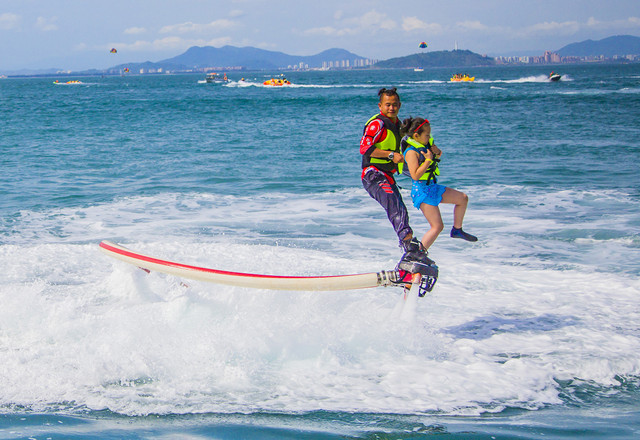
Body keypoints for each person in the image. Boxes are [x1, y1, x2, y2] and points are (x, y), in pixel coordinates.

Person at [360, 87, 426, 259]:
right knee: (394, 205)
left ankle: (410, 250)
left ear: (400, 105)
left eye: (395, 105)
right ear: (380, 106)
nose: (392, 108)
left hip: (387, 175)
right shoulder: (377, 124)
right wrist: (390, 155)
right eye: (388, 105)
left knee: (401, 208)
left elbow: (420, 133)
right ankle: (409, 247)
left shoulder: (398, 125)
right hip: (372, 174)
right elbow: (364, 148)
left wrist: (431, 148)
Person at [399, 116, 477, 252]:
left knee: (462, 198)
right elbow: (415, 175)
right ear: (416, 135)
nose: (429, 137)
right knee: (437, 226)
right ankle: (416, 254)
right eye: (427, 135)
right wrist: (428, 160)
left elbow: (437, 155)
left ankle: (457, 230)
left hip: (433, 187)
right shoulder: (411, 152)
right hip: (422, 192)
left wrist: (435, 152)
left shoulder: (425, 146)